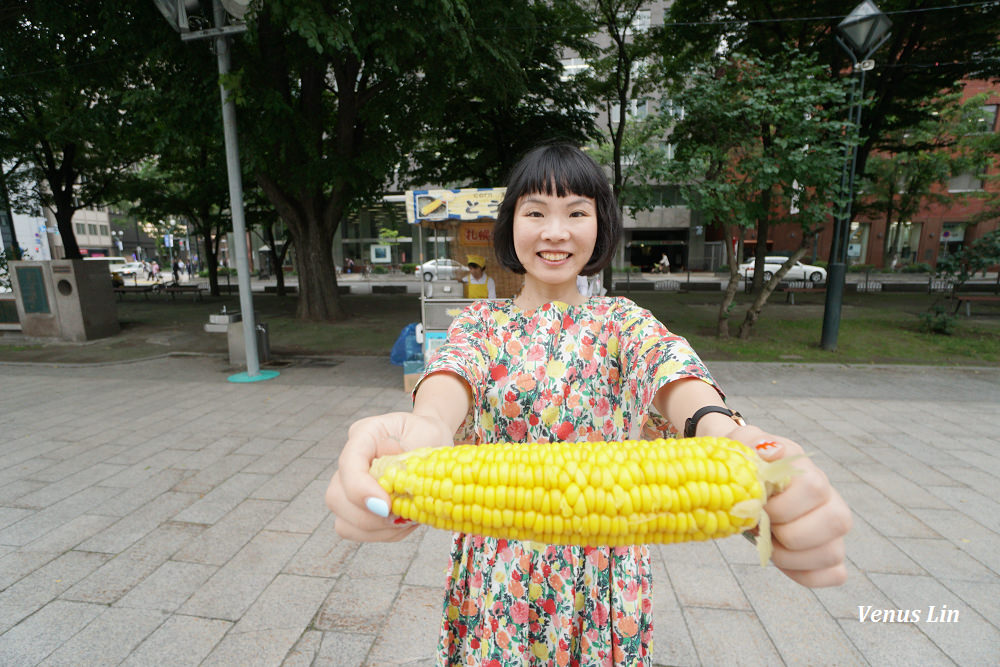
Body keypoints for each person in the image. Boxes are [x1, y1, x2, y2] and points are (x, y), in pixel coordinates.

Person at [325, 143, 850, 665]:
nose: (556, 232)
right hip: (501, 575)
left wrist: (731, 438)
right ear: (511, 225)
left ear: (601, 227)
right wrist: (418, 434)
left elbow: (675, 377)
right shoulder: (480, 328)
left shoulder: (623, 323)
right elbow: (442, 400)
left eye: (577, 212)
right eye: (536, 212)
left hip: (604, 576)